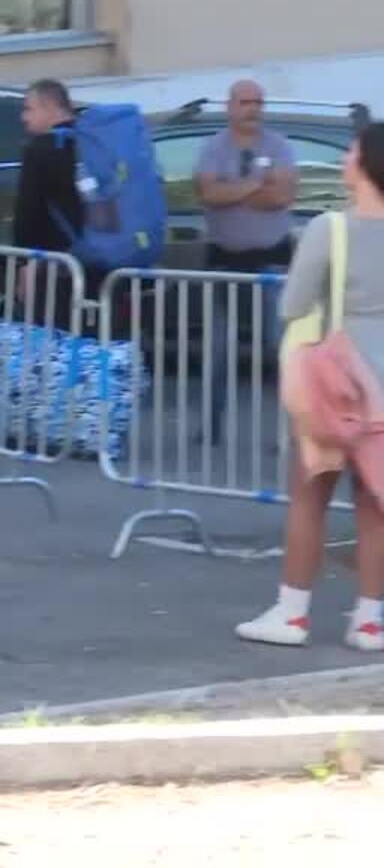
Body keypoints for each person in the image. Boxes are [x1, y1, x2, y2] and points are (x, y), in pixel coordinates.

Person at [235, 123, 384, 651]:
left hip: (333, 385)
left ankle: (292, 614)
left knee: (309, 496)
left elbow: (294, 304)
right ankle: (369, 621)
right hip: (383, 392)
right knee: (374, 507)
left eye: (350, 150)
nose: (344, 157)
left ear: (364, 163)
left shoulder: (330, 230)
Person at [198, 79, 296, 427]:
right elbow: (209, 194)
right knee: (218, 349)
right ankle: (212, 426)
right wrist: (256, 183)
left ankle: (289, 431)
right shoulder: (213, 147)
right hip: (224, 260)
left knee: (279, 348)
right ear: (230, 107)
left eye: (258, 102)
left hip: (272, 260)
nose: (253, 109)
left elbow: (281, 197)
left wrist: (233, 191)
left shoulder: (279, 146)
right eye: (245, 102)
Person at [10, 78, 83, 326]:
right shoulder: (92, 142)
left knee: (52, 344)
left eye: (29, 108)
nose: (23, 117)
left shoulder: (41, 148)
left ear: (51, 107)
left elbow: (27, 211)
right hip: (102, 260)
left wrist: (24, 264)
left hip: (56, 266)